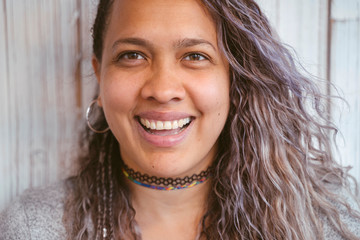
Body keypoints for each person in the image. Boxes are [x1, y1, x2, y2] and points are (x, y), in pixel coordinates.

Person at [1, 0, 360, 239]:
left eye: (195, 56)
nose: (162, 89)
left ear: (236, 78)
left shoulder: (325, 220)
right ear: (100, 75)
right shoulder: (33, 227)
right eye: (132, 55)